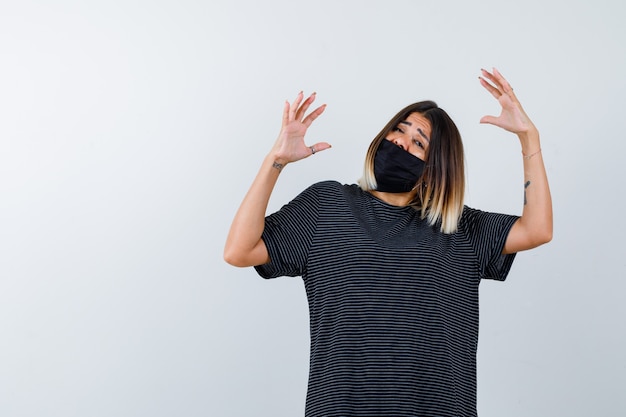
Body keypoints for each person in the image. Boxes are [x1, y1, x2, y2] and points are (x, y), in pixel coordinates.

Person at [223, 68, 552, 417]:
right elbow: (239, 250)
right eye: (398, 130)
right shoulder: (327, 206)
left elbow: (537, 229)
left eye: (419, 141)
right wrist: (276, 161)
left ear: (435, 167)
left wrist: (529, 139)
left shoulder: (458, 227)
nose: (400, 142)